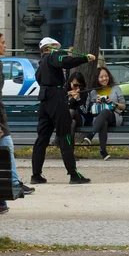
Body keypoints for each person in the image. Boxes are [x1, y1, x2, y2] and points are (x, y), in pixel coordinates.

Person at [31, 37, 96, 183]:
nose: (60, 50)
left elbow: (41, 79)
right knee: (65, 134)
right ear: (50, 48)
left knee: (42, 138)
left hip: (44, 99)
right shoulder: (53, 56)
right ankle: (73, 174)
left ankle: (36, 175)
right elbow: (64, 61)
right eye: (56, 46)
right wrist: (85, 58)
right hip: (56, 99)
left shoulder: (41, 64)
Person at [0, 32, 34, 198]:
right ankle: (7, 183)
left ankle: (13, 181)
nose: (5, 46)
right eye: (2, 43)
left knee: (8, 146)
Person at [84, 67, 126, 160]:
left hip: (115, 117)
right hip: (100, 119)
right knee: (103, 122)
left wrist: (112, 102)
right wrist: (96, 102)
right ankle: (103, 151)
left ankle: (91, 134)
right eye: (101, 77)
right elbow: (89, 109)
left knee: (106, 111)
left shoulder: (115, 88)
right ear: (97, 78)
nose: (104, 79)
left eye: (106, 76)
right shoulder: (93, 91)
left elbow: (123, 106)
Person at [65, 72, 93, 145]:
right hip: (67, 119)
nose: (78, 88)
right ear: (70, 82)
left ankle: (59, 138)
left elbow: (85, 112)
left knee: (71, 111)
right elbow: (62, 108)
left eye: (80, 86)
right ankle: (70, 150)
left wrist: (78, 99)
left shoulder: (85, 93)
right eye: (75, 85)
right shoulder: (65, 92)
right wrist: (70, 99)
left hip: (80, 118)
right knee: (72, 123)